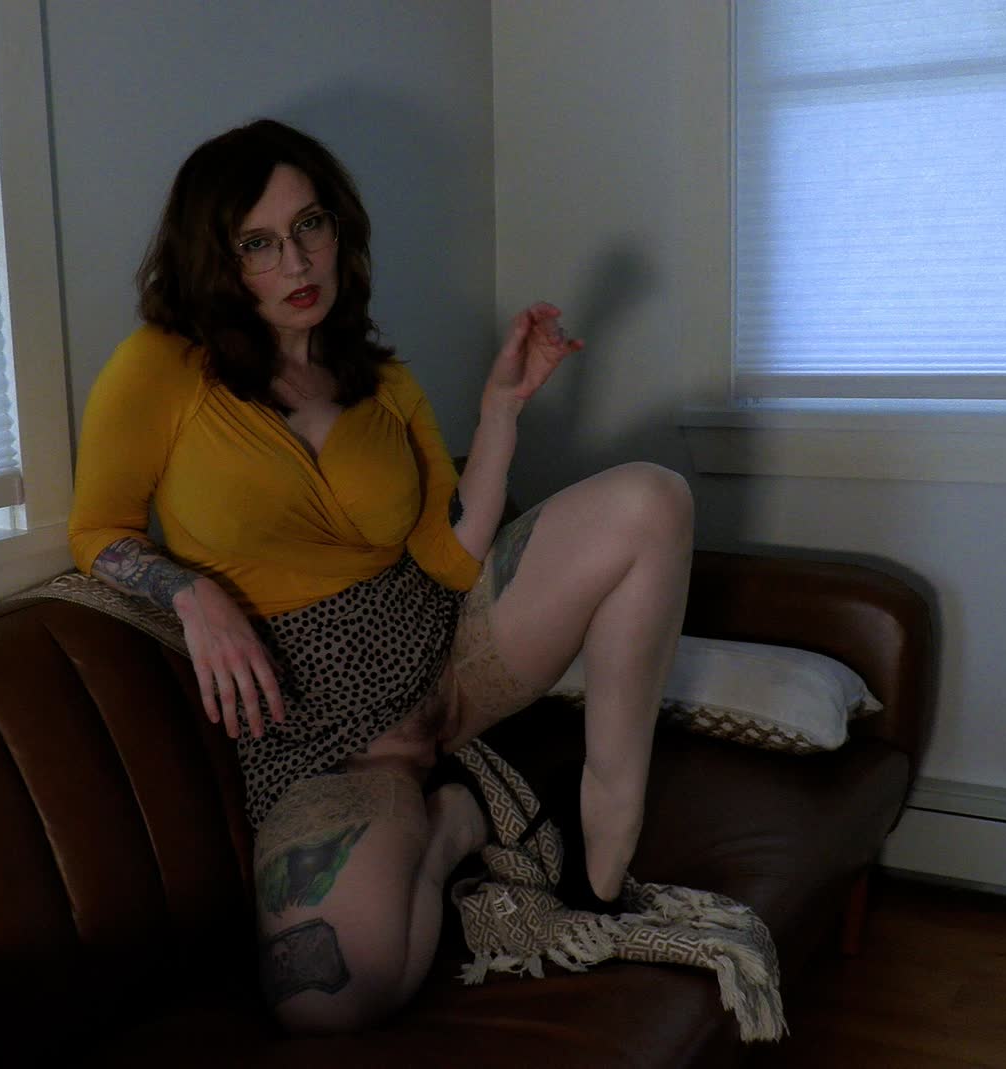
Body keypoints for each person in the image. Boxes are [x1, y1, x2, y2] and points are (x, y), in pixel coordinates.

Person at [68, 119, 693, 1034]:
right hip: (324, 744)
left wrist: (501, 411)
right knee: (324, 995)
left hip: (450, 662)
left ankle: (602, 861)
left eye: (309, 225)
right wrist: (193, 594)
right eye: (257, 243)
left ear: (339, 227)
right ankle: (454, 821)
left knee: (654, 498)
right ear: (215, 258)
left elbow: (449, 556)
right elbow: (98, 529)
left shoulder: (381, 378)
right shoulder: (160, 369)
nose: (296, 261)